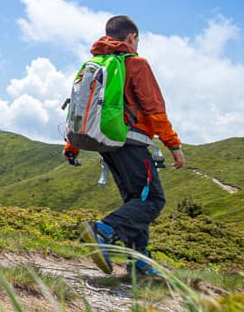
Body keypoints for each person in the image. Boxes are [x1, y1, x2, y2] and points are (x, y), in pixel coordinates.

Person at [65, 15, 185, 276]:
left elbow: (78, 108)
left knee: (135, 200)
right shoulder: (136, 64)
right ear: (131, 37)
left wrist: (72, 145)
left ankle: (139, 263)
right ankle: (103, 231)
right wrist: (173, 145)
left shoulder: (92, 63)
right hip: (132, 142)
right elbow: (154, 109)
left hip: (106, 143)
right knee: (152, 199)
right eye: (137, 40)